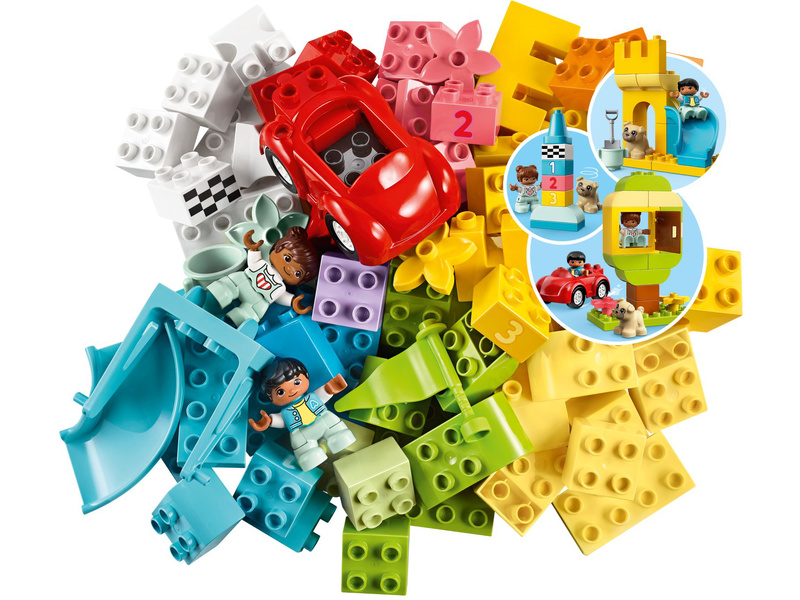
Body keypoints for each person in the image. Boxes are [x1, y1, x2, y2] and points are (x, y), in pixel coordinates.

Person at [249, 358, 356, 471]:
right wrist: (269, 421)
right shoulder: (285, 413)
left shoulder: (312, 397)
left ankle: (339, 437)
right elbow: (281, 421)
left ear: (306, 376)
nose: (291, 391)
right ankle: (308, 455)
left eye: (296, 382)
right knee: (302, 447)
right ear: (271, 398)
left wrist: (330, 388)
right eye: (280, 392)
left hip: (322, 421)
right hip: (302, 434)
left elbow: (323, 393)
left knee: (333, 425)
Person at [207, 227, 319, 327]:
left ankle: (232, 324)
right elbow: (252, 262)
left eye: (298, 273)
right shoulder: (262, 263)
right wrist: (253, 248)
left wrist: (293, 302)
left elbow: (281, 298)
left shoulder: (281, 288)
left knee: (250, 313)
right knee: (228, 286)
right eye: (287, 258)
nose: (290, 269)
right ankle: (211, 298)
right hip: (243, 281)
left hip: (258, 301)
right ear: (277, 247)